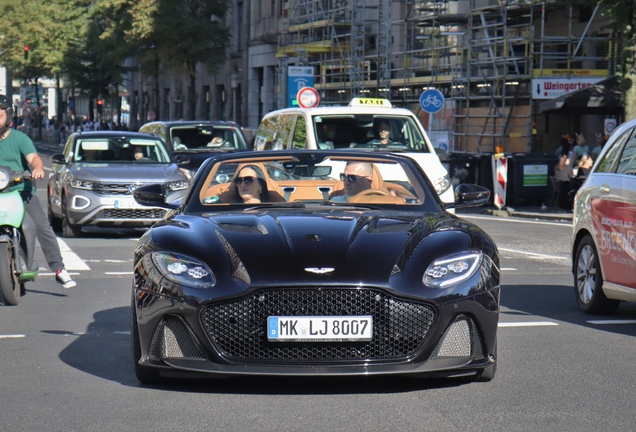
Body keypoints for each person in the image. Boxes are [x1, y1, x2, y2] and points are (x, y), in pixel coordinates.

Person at [0, 94, 76, 289]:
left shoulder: (20, 138)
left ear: (9, 117)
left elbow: (33, 158)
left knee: (42, 226)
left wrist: (37, 168)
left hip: (20, 192)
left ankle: (59, 269)